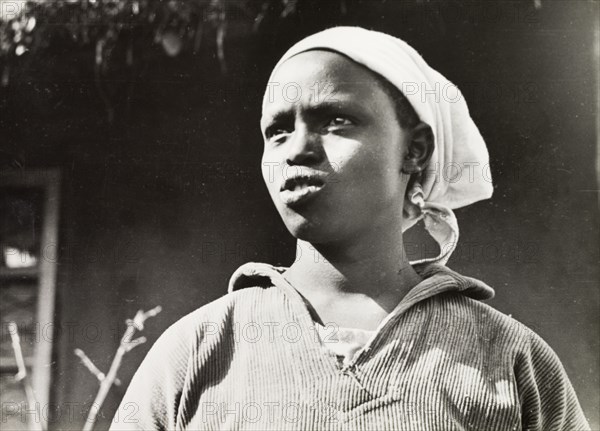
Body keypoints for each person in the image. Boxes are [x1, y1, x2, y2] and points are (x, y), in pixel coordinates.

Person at [110, 27, 590, 430]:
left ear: (415, 150)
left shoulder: (508, 358)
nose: (296, 149)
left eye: (336, 120)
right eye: (277, 131)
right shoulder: (200, 349)